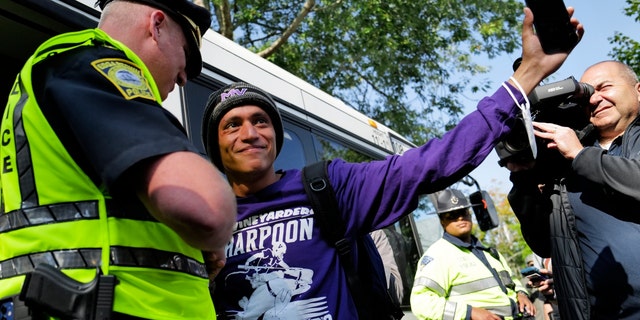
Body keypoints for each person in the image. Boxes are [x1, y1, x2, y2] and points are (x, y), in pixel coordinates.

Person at [200, 7, 583, 319]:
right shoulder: (195, 215)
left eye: (261, 121)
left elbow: (433, 162)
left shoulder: (327, 186)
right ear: (214, 147)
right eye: (232, 125)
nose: (250, 133)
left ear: (275, 138)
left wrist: (527, 74)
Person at [0, 0, 237, 319]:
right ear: (156, 25)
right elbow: (207, 209)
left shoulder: (57, 75)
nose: (183, 78)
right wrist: (213, 230)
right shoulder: (92, 67)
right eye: (187, 56)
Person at [507, 60, 640, 320]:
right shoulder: (562, 163)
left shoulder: (576, 153)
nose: (594, 99)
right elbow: (544, 243)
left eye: (605, 87)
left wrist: (580, 154)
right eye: (587, 93)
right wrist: (523, 180)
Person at [410, 189, 535, 320]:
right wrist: (469, 313)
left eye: (463, 212)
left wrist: (521, 294)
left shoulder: (490, 252)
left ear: (470, 215)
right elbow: (421, 303)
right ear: (442, 221)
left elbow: (512, 281)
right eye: (452, 215)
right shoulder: (437, 256)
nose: (460, 218)